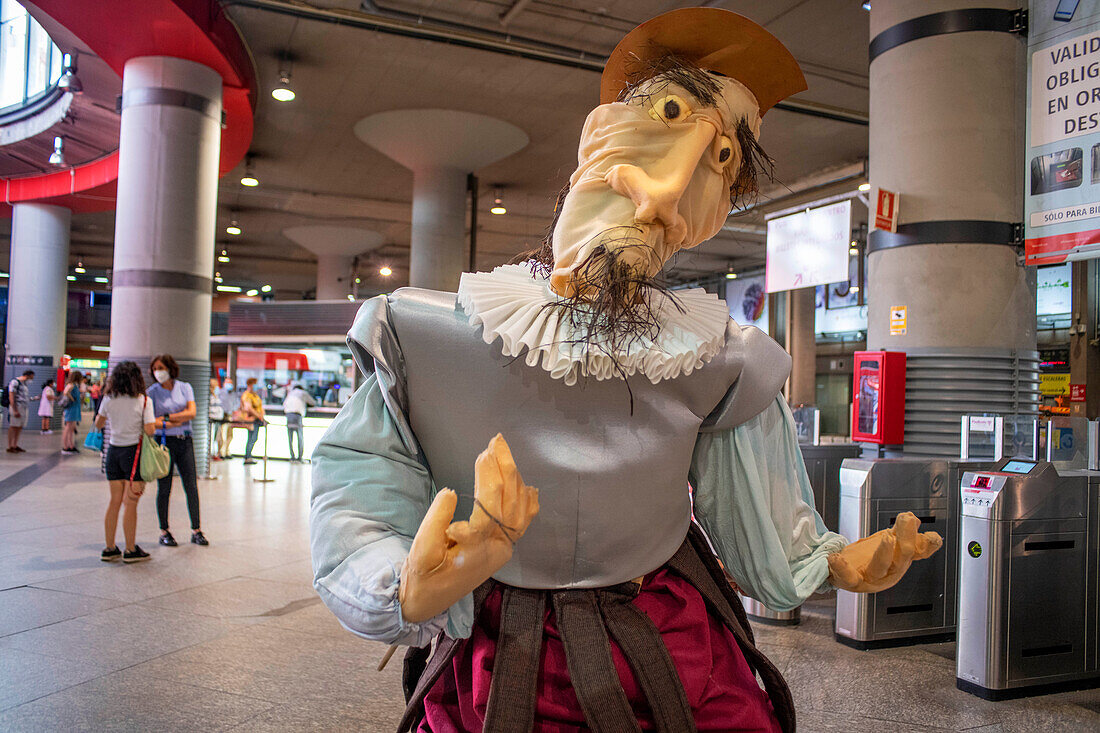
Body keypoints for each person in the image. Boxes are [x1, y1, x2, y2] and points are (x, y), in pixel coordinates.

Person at [309, 9, 943, 731]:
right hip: (502, 648)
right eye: (668, 115)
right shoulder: (423, 337)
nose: (664, 195)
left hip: (672, 636)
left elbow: (755, 510)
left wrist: (832, 557)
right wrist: (404, 582)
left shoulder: (718, 358)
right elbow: (358, 500)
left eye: (721, 162)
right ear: (598, 137)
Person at [95, 361, 155, 563]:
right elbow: (150, 430)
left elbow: (98, 423)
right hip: (133, 455)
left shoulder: (109, 399)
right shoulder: (143, 401)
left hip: (113, 453)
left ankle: (109, 548)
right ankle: (130, 550)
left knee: (114, 502)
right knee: (131, 503)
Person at [147, 354, 208, 547]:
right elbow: (152, 423)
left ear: (170, 368)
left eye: (161, 367)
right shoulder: (152, 392)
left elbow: (192, 413)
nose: (158, 372)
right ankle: (164, 530)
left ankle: (196, 530)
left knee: (191, 486)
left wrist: (166, 417)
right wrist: (176, 419)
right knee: (164, 487)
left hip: (185, 442)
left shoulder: (185, 387)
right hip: (163, 442)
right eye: (155, 368)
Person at [282, 382, 316, 462]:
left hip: (288, 414)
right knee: (299, 437)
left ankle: (292, 457)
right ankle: (299, 458)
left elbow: (284, 404)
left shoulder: (290, 393)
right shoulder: (303, 393)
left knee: (290, 438)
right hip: (297, 415)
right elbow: (313, 402)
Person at [6, 369, 34, 453]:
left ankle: (15, 445)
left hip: (24, 407)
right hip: (17, 407)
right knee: (13, 426)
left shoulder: (24, 384)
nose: (31, 379)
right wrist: (14, 410)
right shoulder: (15, 382)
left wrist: (34, 398)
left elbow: (24, 397)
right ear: (28, 375)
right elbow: (11, 396)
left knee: (19, 426)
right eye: (31, 377)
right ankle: (10, 446)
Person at [239, 377, 265, 465]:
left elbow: (260, 406)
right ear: (250, 385)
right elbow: (249, 408)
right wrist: (259, 415)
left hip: (257, 420)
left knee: (254, 438)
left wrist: (261, 415)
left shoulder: (255, 395)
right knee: (251, 438)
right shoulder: (246, 395)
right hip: (251, 420)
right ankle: (247, 457)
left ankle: (249, 455)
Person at [60, 370, 83, 455]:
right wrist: (72, 399)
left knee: (71, 428)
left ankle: (71, 445)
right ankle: (65, 447)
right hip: (71, 408)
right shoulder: (71, 385)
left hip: (74, 408)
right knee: (68, 427)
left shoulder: (75, 385)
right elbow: (66, 392)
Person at [215, 377, 236, 458]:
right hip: (223, 416)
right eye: (227, 383)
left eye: (230, 383)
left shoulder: (232, 393)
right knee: (222, 435)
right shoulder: (220, 392)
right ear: (224, 383)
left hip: (230, 416)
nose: (229, 385)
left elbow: (234, 404)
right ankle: (221, 453)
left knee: (230, 435)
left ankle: (227, 452)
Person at [208, 378, 226, 461]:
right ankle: (210, 454)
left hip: (218, 420)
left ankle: (215, 454)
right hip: (212, 420)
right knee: (211, 438)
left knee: (216, 438)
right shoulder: (209, 397)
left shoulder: (218, 396)